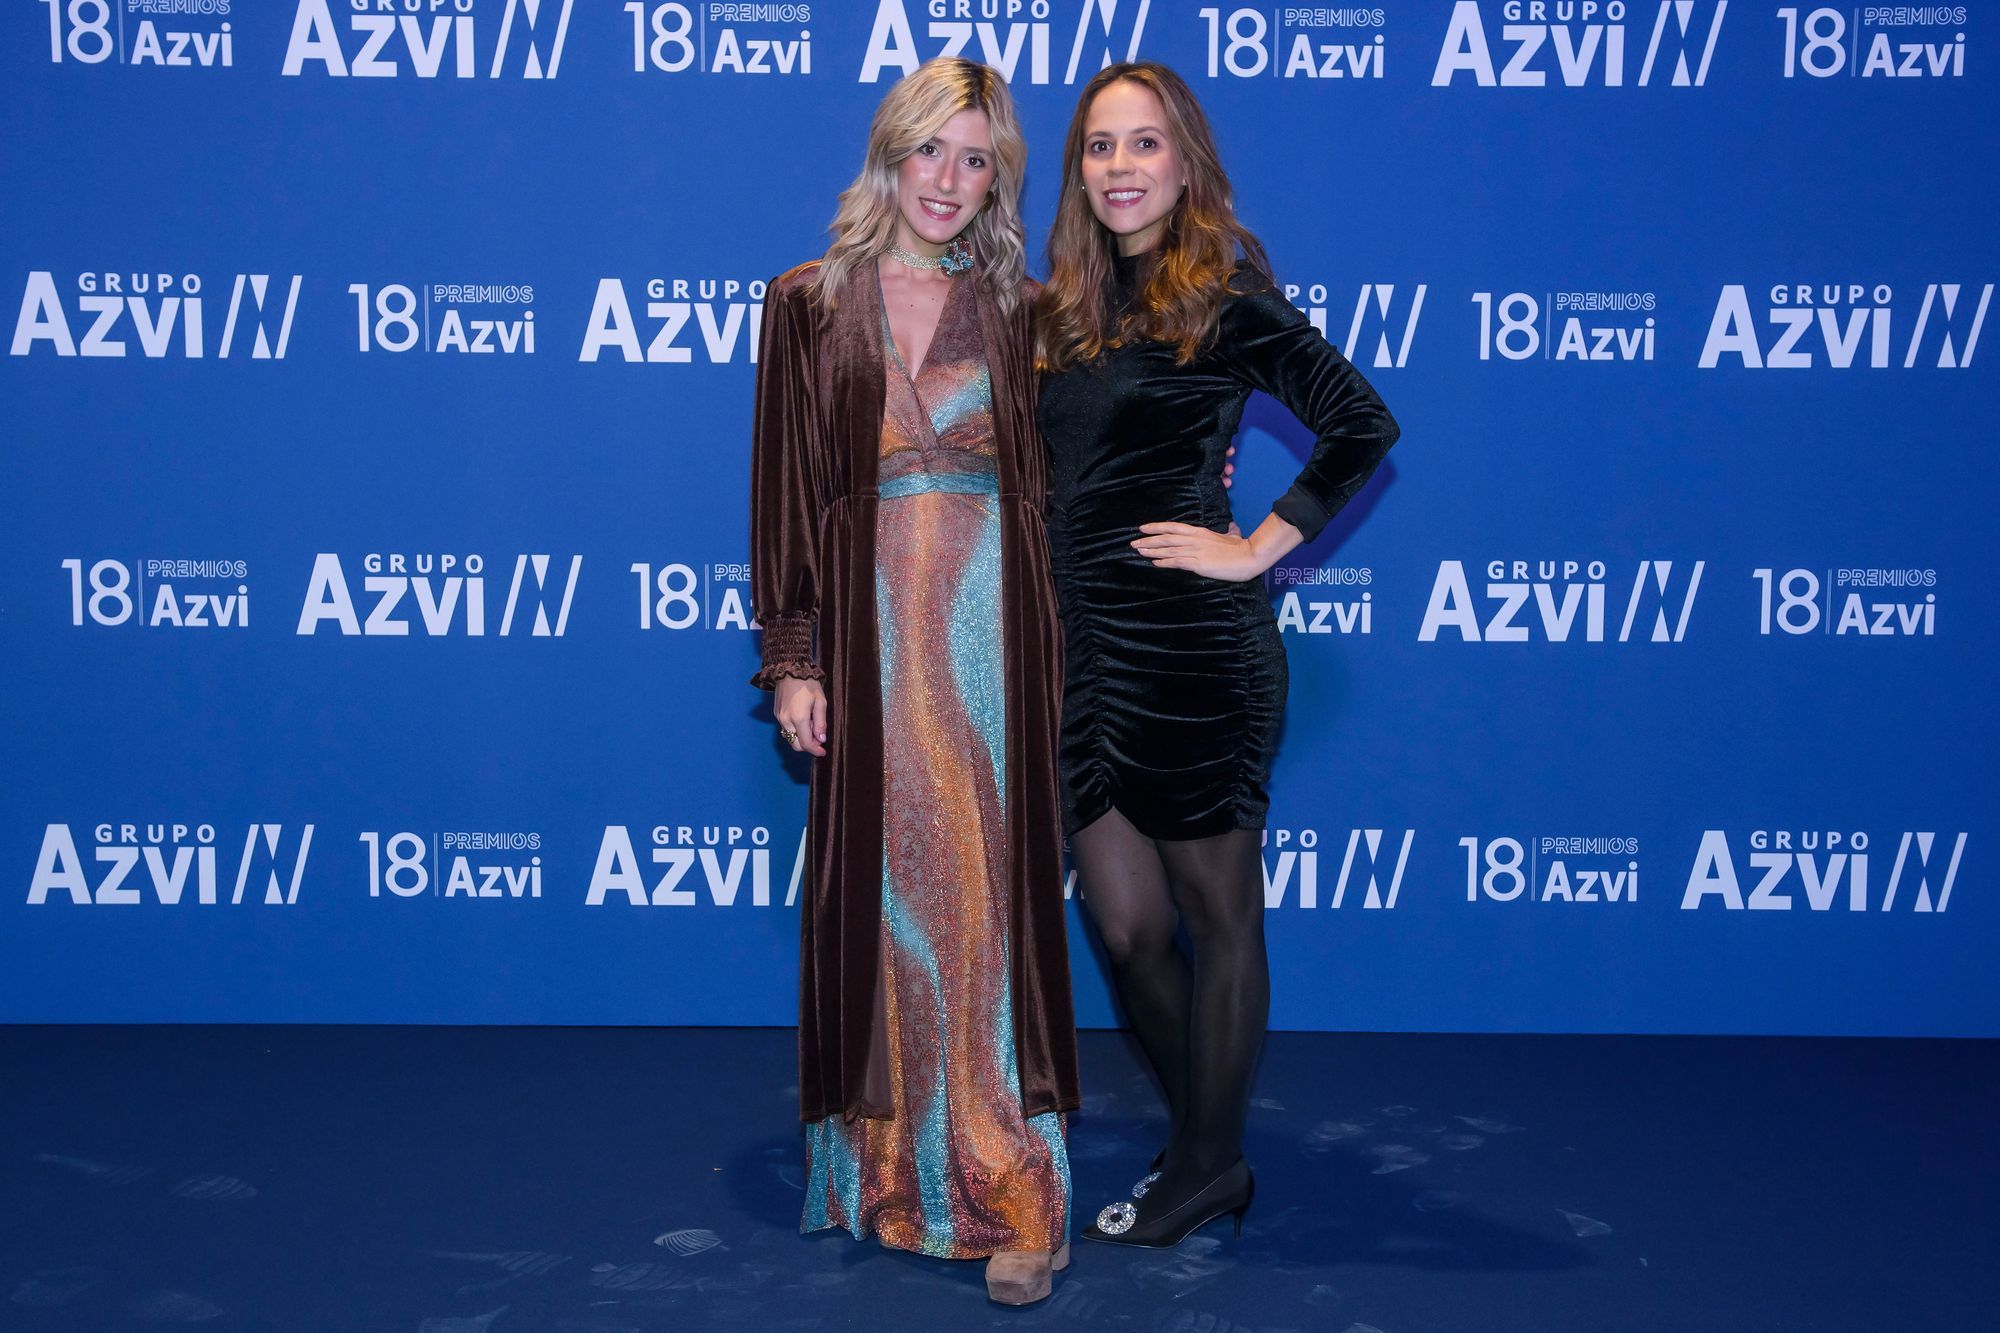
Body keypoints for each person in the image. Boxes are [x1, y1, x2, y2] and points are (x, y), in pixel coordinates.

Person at [1034, 62, 1400, 1249]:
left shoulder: (1222, 295)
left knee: (1217, 911)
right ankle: (1210, 1145)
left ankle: (1200, 1164)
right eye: (1099, 146)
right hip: (1082, 655)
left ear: (1185, 161)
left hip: (1193, 650)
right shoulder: (1060, 311)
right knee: (1127, 927)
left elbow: (1360, 424)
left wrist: (1254, 549)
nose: (1120, 167)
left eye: (1144, 143)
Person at [748, 57, 1078, 1306]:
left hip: (997, 643)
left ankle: (1018, 1190)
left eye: (975, 158)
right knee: (887, 903)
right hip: (871, 643)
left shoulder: (1027, 312)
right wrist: (795, 658)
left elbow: (1086, 474)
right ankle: (890, 1177)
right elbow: (784, 490)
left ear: (999, 180)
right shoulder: (805, 302)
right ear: (889, 153)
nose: (947, 178)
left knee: (989, 907)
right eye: (928, 149)